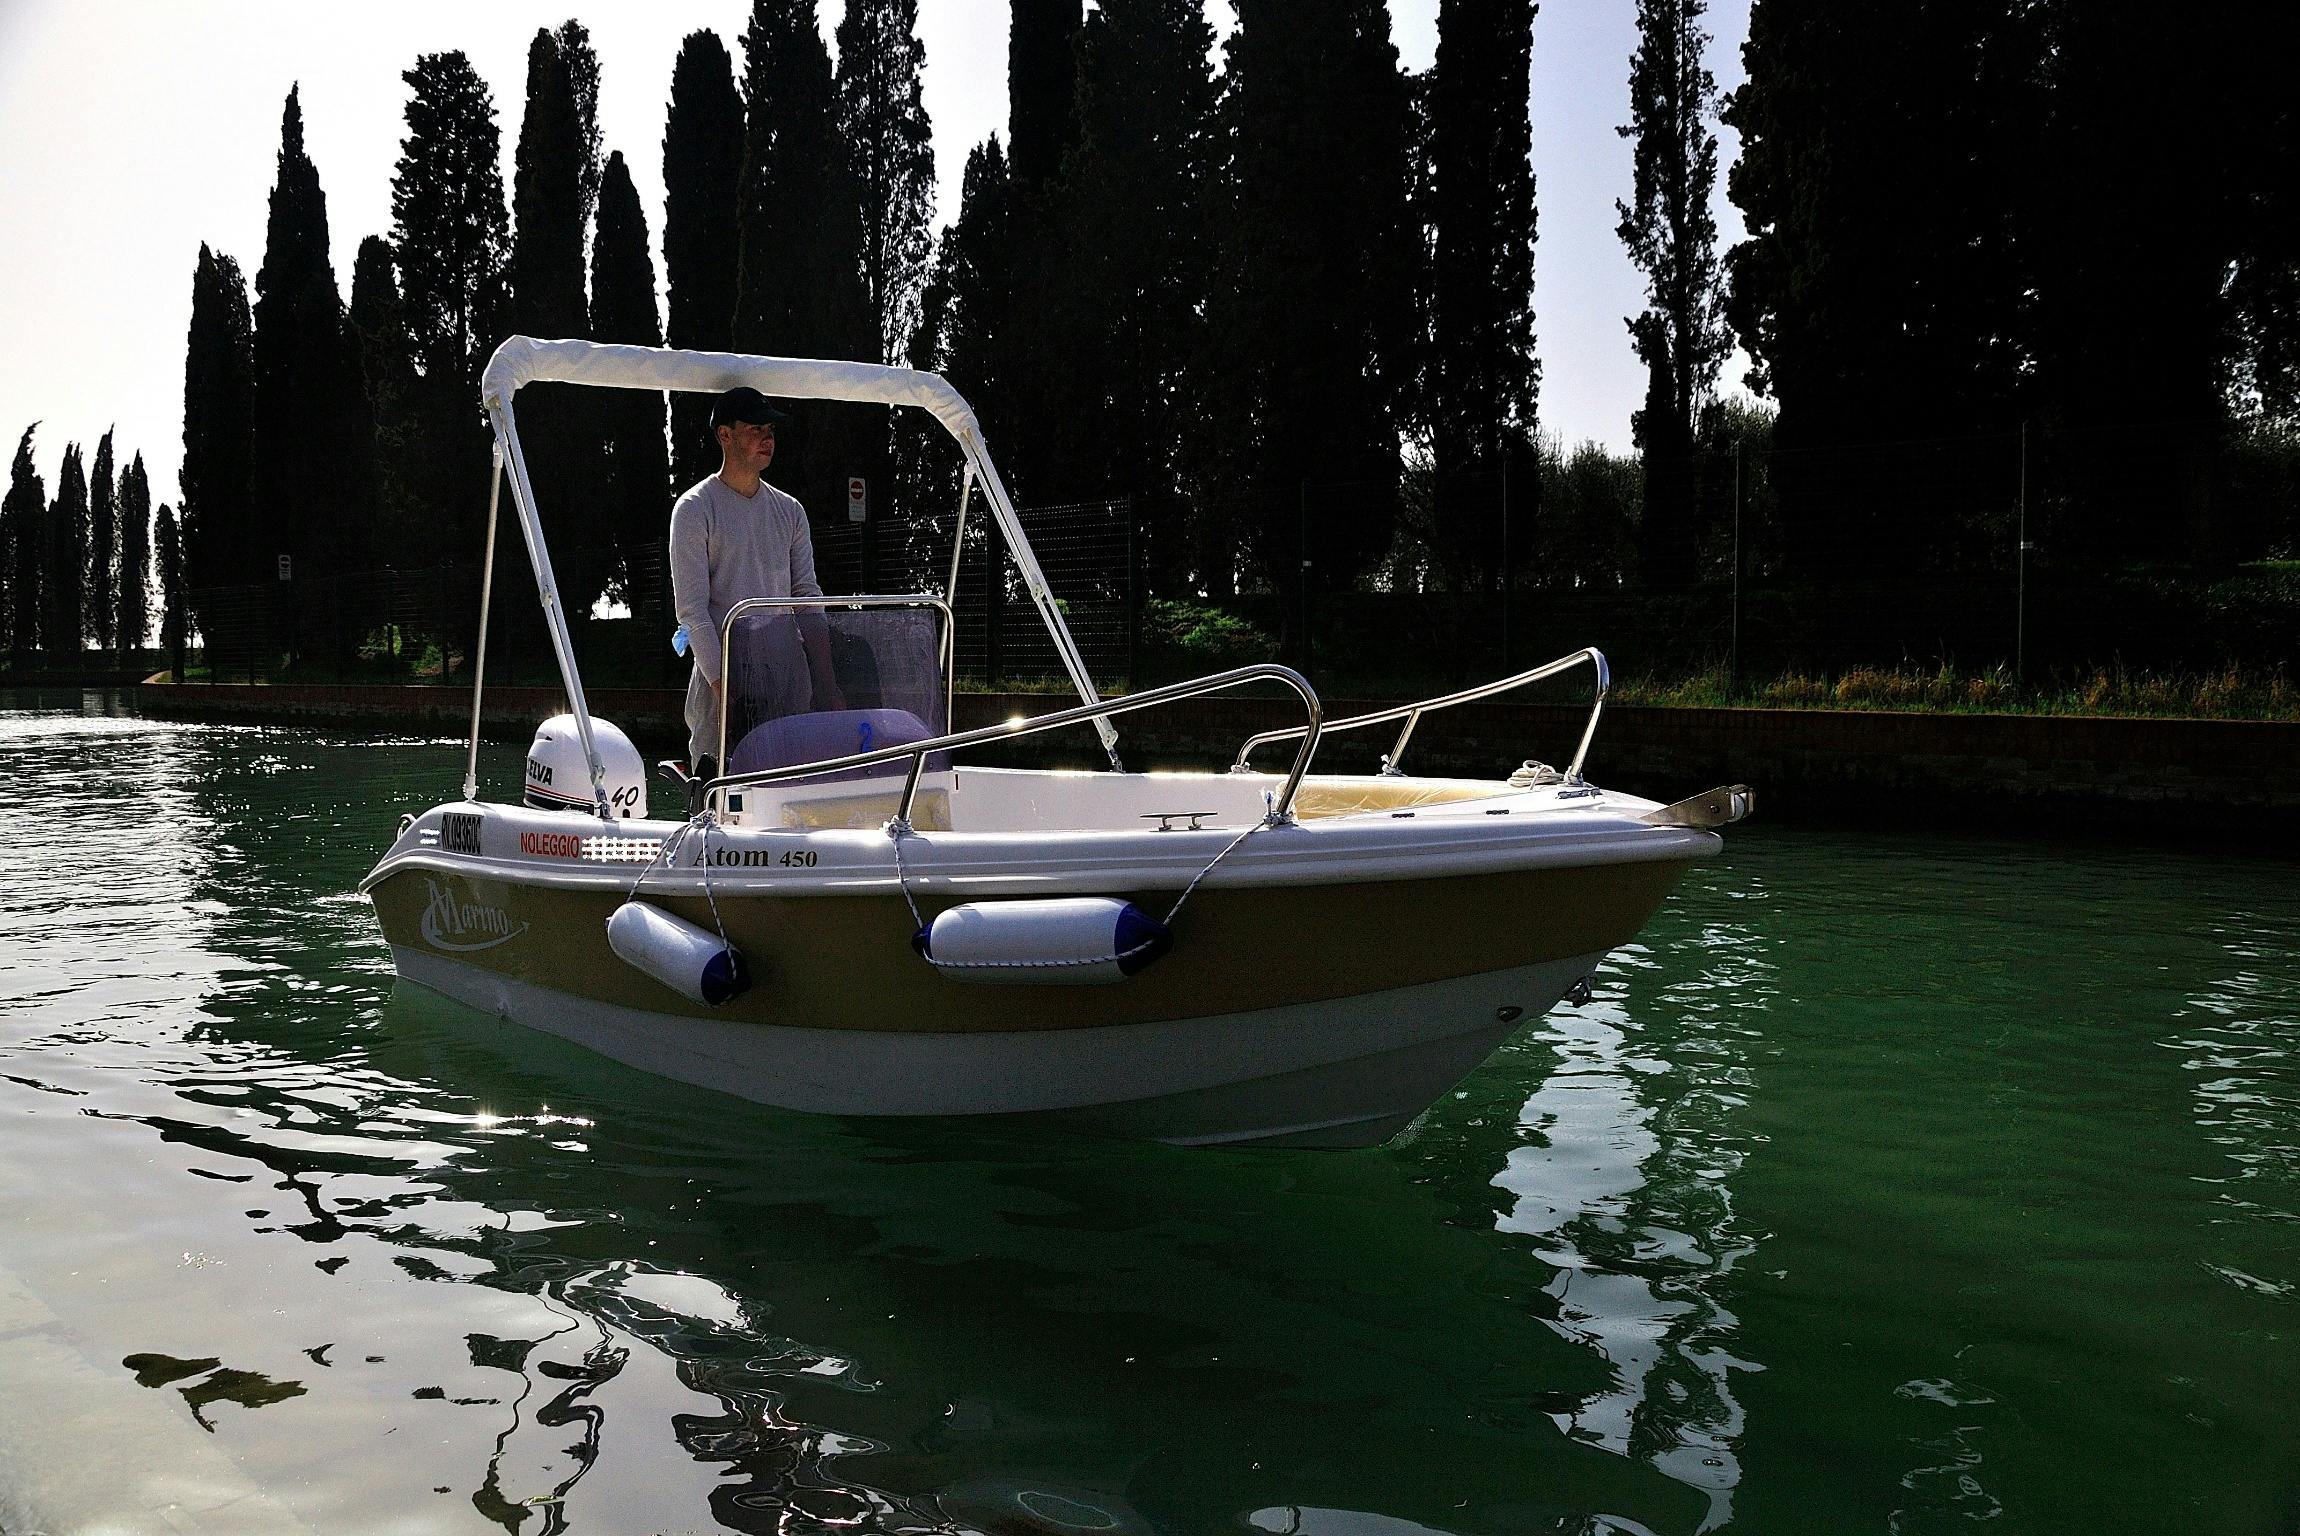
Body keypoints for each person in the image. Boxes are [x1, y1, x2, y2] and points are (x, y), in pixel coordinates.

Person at [669, 386, 843, 772]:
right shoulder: (694, 509)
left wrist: (827, 683)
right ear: (725, 435)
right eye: (755, 429)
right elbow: (693, 611)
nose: (767, 438)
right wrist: (724, 692)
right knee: (719, 792)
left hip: (788, 681)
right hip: (723, 681)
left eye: (770, 430)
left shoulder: (790, 511)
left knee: (794, 789)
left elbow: (807, 596)